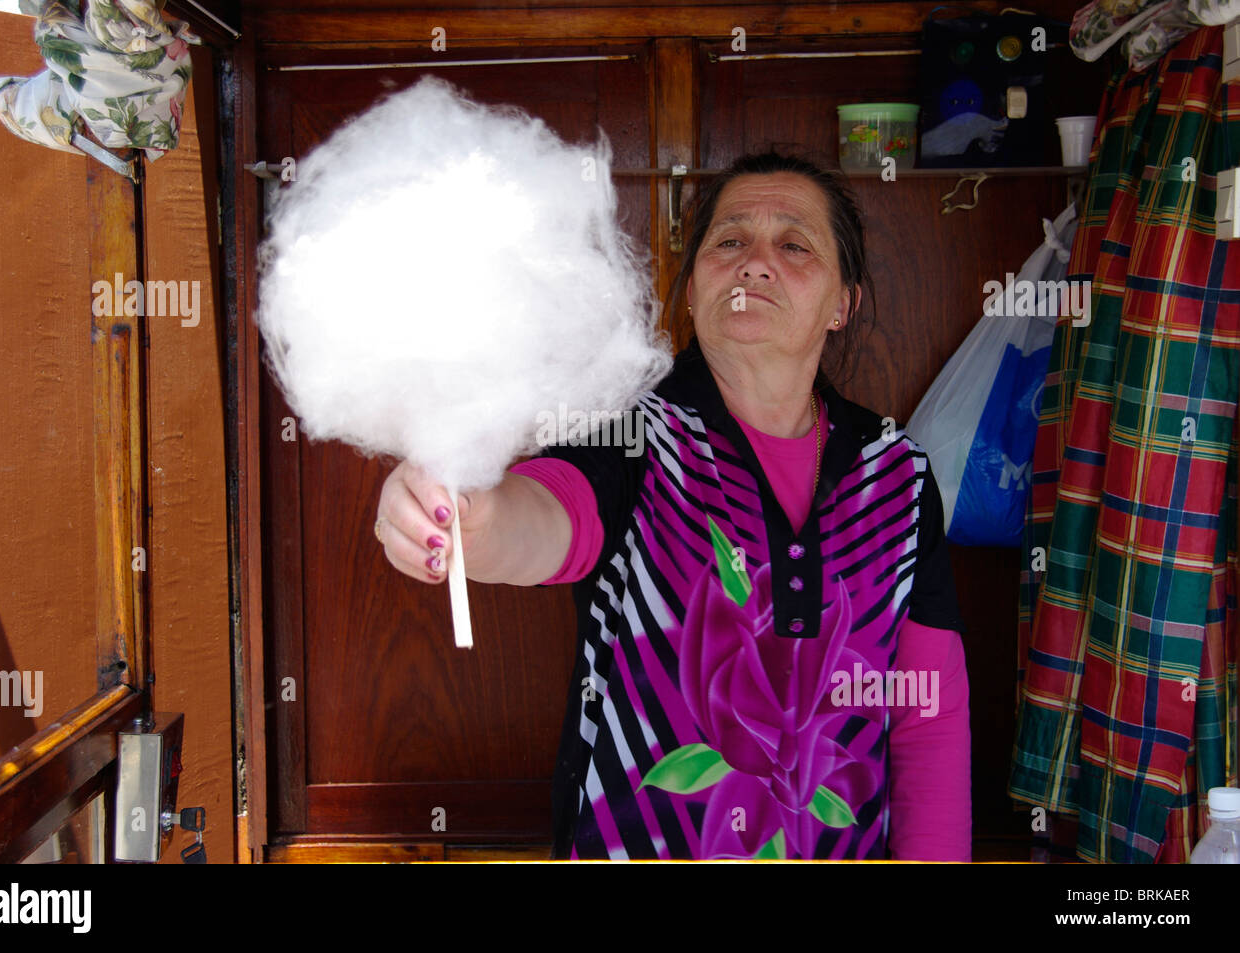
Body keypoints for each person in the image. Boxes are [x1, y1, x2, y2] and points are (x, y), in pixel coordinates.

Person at [374, 152, 971, 861]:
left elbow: (926, 715)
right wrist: (469, 513)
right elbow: (544, 520)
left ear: (844, 302)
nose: (755, 263)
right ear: (691, 292)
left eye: (794, 244)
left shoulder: (897, 472)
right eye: (729, 241)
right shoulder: (632, 434)